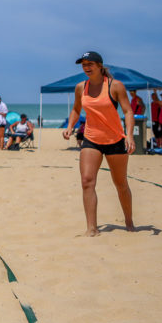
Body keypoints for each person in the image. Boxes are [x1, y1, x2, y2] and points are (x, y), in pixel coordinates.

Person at [63, 51, 135, 236]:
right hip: (91, 140)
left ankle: (129, 221)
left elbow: (128, 111)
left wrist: (129, 135)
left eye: (90, 64)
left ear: (100, 66)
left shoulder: (115, 86)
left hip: (115, 140)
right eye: (83, 65)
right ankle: (91, 228)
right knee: (87, 182)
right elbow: (76, 109)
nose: (86, 68)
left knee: (120, 184)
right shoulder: (81, 87)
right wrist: (70, 126)